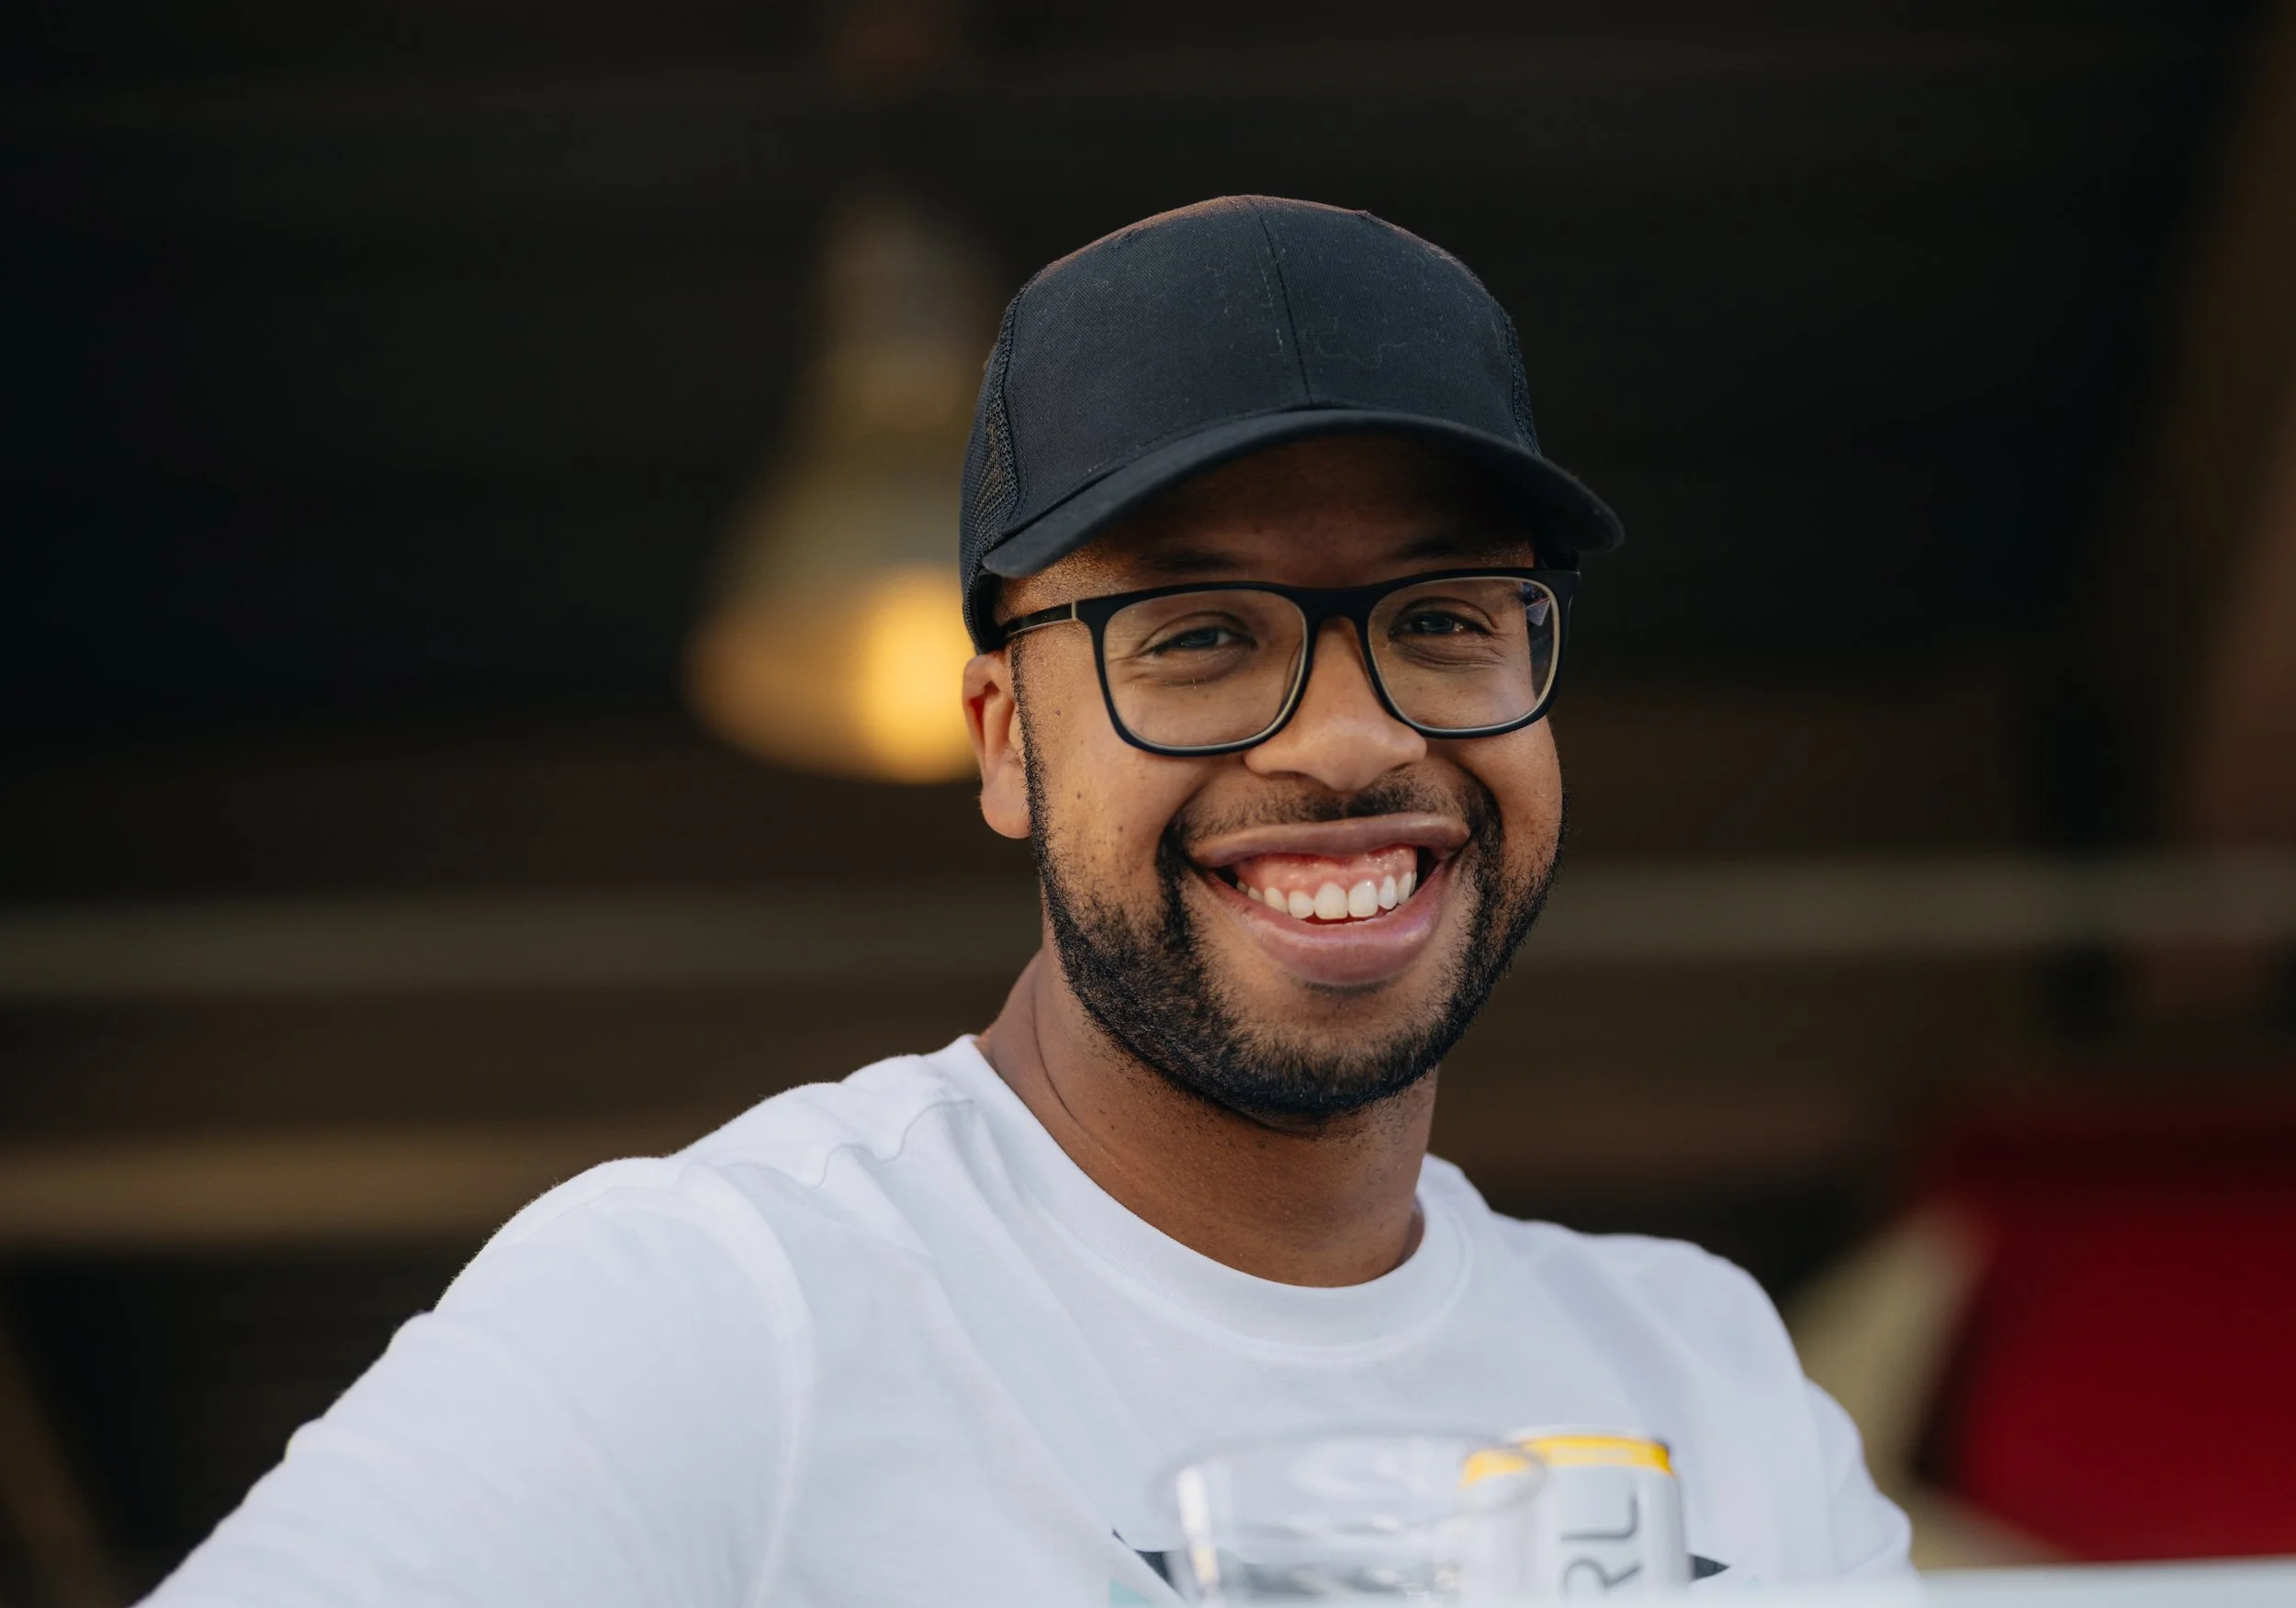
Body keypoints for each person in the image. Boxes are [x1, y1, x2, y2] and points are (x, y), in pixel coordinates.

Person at [146, 197, 1909, 1605]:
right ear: (1003, 742)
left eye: (1446, 617)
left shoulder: (1702, 1372)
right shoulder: (722, 1303)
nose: (1352, 735)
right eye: (1201, 636)